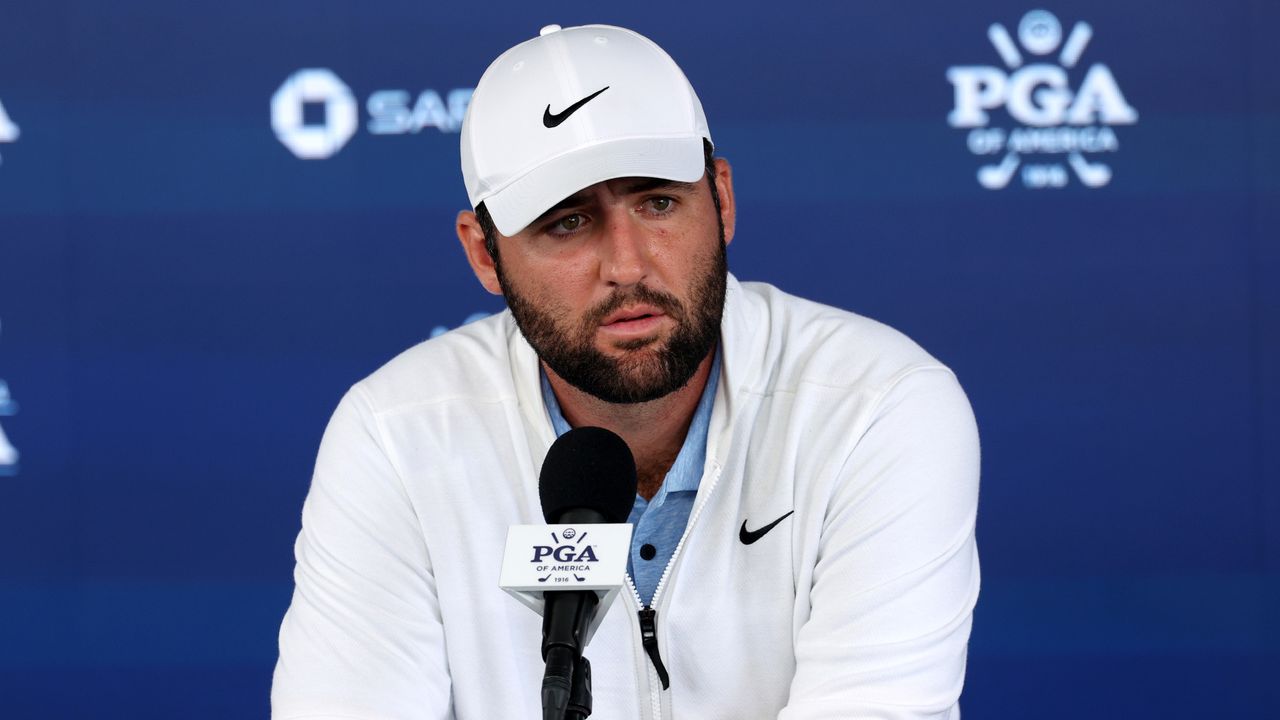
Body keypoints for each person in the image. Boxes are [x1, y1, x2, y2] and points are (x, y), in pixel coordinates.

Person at [272, 23, 980, 720]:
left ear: (723, 200)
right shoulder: (395, 435)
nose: (629, 265)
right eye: (567, 222)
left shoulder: (877, 405)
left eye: (659, 202)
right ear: (484, 255)